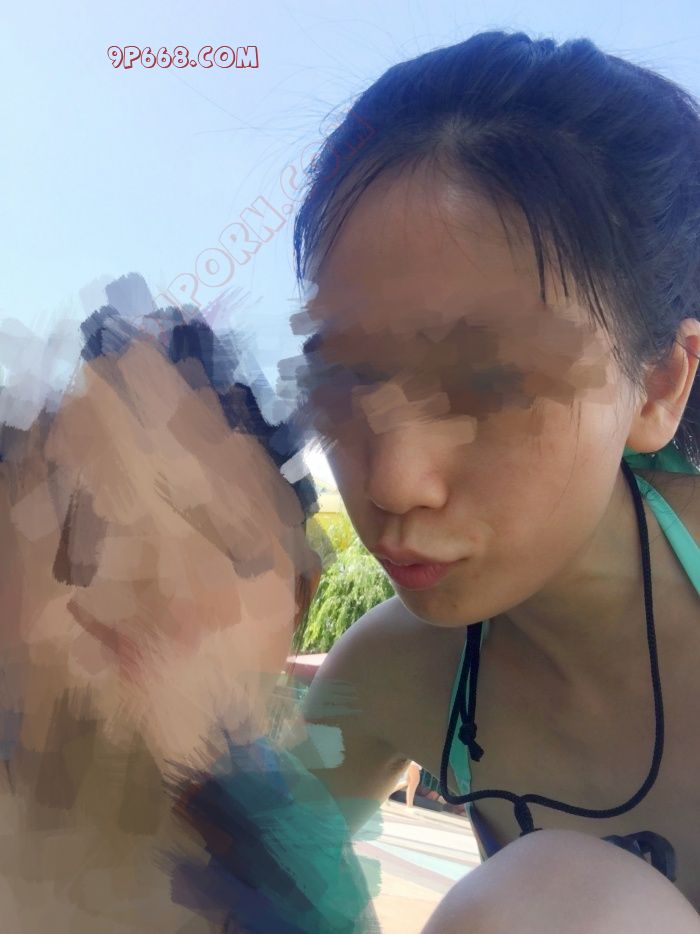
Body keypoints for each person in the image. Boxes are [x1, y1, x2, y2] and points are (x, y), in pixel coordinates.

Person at [282, 30, 700, 932]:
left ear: (659, 384)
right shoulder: (400, 672)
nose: (394, 483)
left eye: (491, 381)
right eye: (345, 376)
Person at [0, 295, 379, 932]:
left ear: (298, 600)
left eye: (221, 540)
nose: (149, 590)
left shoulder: (298, 856)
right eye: (80, 532)